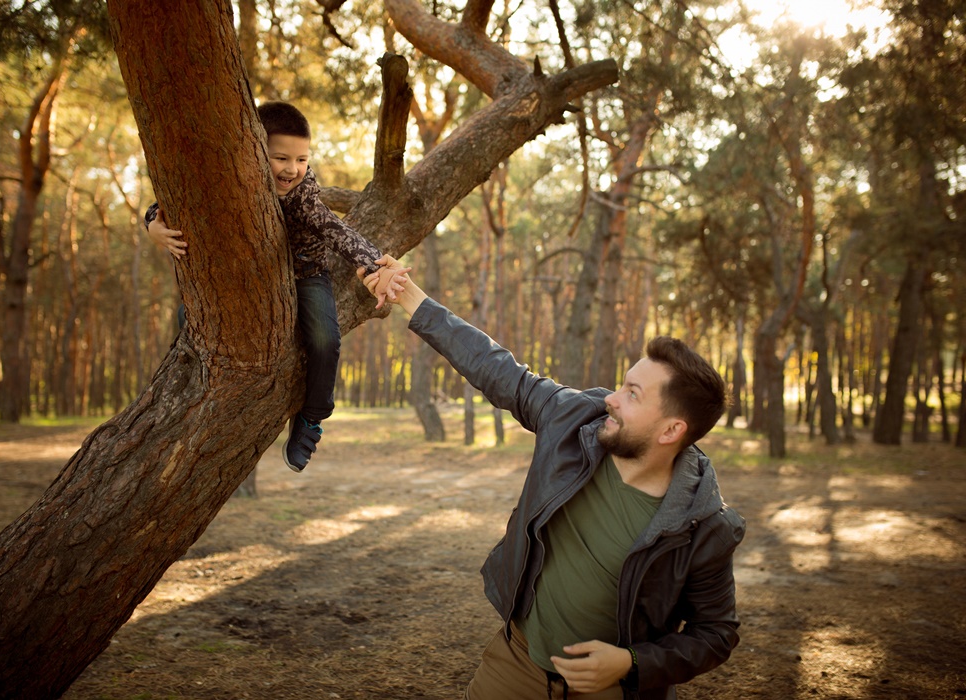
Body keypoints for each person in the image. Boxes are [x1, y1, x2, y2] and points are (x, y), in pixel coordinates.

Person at [360, 267, 745, 700]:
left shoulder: (704, 525)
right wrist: (408, 294)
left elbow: (715, 634)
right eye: (622, 385)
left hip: (612, 690)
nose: (610, 399)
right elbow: (496, 368)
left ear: (671, 431)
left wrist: (631, 664)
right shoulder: (573, 420)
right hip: (516, 664)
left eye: (632, 395)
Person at [146, 101, 405, 473]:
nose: (292, 170)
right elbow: (167, 202)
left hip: (306, 273)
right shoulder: (227, 179)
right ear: (252, 151)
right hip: (247, 276)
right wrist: (152, 223)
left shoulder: (302, 193)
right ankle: (191, 378)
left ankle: (311, 417)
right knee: (189, 314)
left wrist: (373, 262)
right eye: (281, 158)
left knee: (324, 339)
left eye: (302, 160)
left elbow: (337, 231)